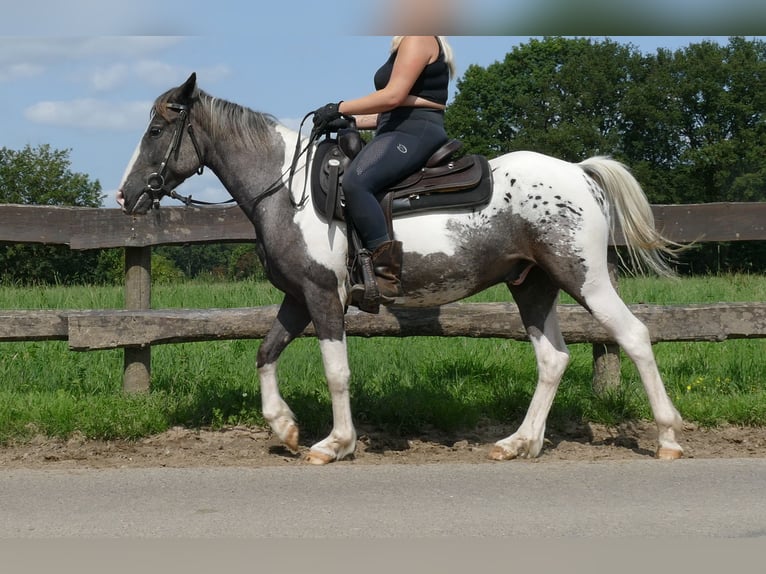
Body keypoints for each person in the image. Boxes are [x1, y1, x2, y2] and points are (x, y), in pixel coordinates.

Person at [312, 35, 456, 302]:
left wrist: (339, 107)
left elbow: (392, 97)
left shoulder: (419, 37)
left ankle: (385, 275)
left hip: (414, 131)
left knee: (357, 181)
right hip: (397, 128)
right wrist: (346, 119)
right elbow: (391, 111)